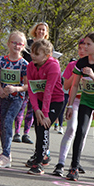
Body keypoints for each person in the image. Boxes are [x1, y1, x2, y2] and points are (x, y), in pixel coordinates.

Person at [66, 32, 94, 182]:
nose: (84, 47)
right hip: (85, 101)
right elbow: (74, 86)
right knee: (80, 131)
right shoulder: (81, 62)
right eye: (84, 44)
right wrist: (70, 105)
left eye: (88, 44)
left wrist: (92, 76)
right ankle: (74, 167)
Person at [24, 39, 64, 175]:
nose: (33, 56)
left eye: (37, 54)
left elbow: (49, 90)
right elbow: (32, 90)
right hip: (39, 101)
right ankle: (41, 155)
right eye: (32, 53)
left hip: (55, 101)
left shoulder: (53, 66)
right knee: (38, 127)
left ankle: (39, 162)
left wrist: (45, 113)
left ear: (47, 56)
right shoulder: (30, 66)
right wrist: (36, 109)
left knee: (43, 126)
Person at [51, 41, 91, 177]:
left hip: (88, 103)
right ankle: (60, 163)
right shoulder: (72, 65)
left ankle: (76, 161)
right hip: (74, 101)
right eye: (79, 48)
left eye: (84, 49)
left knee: (83, 132)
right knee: (72, 128)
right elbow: (66, 86)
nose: (81, 51)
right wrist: (76, 74)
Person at [0, 31, 29, 169]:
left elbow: (27, 85)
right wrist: (0, 90)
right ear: (8, 44)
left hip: (17, 99)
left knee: (8, 121)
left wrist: (16, 89)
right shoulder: (1, 60)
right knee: (2, 124)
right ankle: (4, 152)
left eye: (20, 44)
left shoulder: (24, 64)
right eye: (14, 42)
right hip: (3, 97)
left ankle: (6, 156)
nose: (16, 46)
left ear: (24, 46)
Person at [15, 21, 52, 144]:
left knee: (32, 107)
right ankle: (17, 132)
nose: (41, 31)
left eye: (43, 30)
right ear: (35, 30)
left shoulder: (48, 45)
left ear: (46, 33)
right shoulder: (29, 43)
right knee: (22, 105)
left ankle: (26, 133)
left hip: (39, 80)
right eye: (39, 29)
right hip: (26, 76)